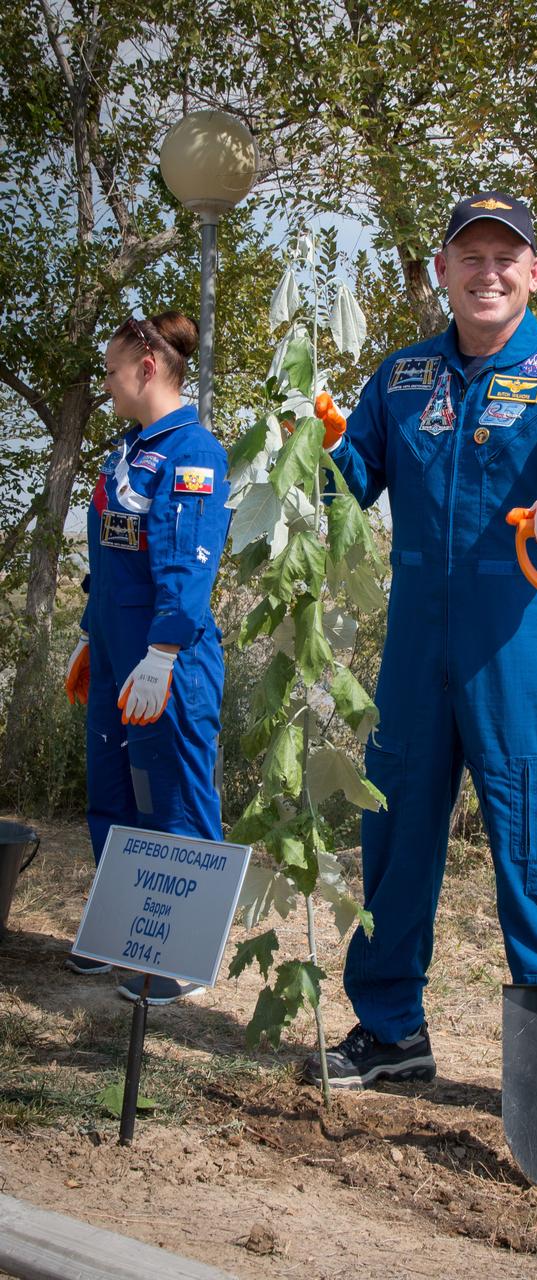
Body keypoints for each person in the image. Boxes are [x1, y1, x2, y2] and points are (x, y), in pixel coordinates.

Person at [303, 191, 537, 1088]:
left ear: (533, 273)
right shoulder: (401, 377)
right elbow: (348, 491)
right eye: (470, 256)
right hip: (415, 646)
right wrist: (310, 454)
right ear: (442, 272)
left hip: (519, 648)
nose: (487, 272)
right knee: (395, 839)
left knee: (536, 844)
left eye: (506, 258)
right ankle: (390, 1033)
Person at [64, 311, 231, 1005]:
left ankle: (182, 956)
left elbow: (186, 567)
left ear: (147, 368)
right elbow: (112, 557)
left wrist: (162, 652)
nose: (105, 384)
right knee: (110, 791)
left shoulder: (192, 452)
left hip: (167, 657)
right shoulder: (127, 450)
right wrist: (88, 630)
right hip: (112, 649)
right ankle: (125, 932)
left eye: (109, 370)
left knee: (174, 795)